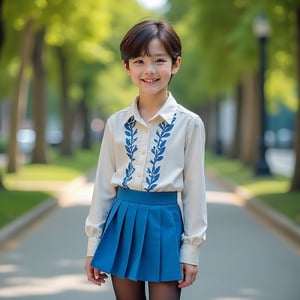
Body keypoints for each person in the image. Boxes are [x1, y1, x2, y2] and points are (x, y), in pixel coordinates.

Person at [85, 19, 207, 300]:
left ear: (176, 64)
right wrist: (93, 245)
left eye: (159, 60)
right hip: (122, 223)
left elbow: (195, 191)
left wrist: (191, 250)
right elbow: (103, 188)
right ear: (126, 67)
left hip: (165, 224)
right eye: (139, 61)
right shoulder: (116, 123)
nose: (149, 70)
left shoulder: (190, 124)